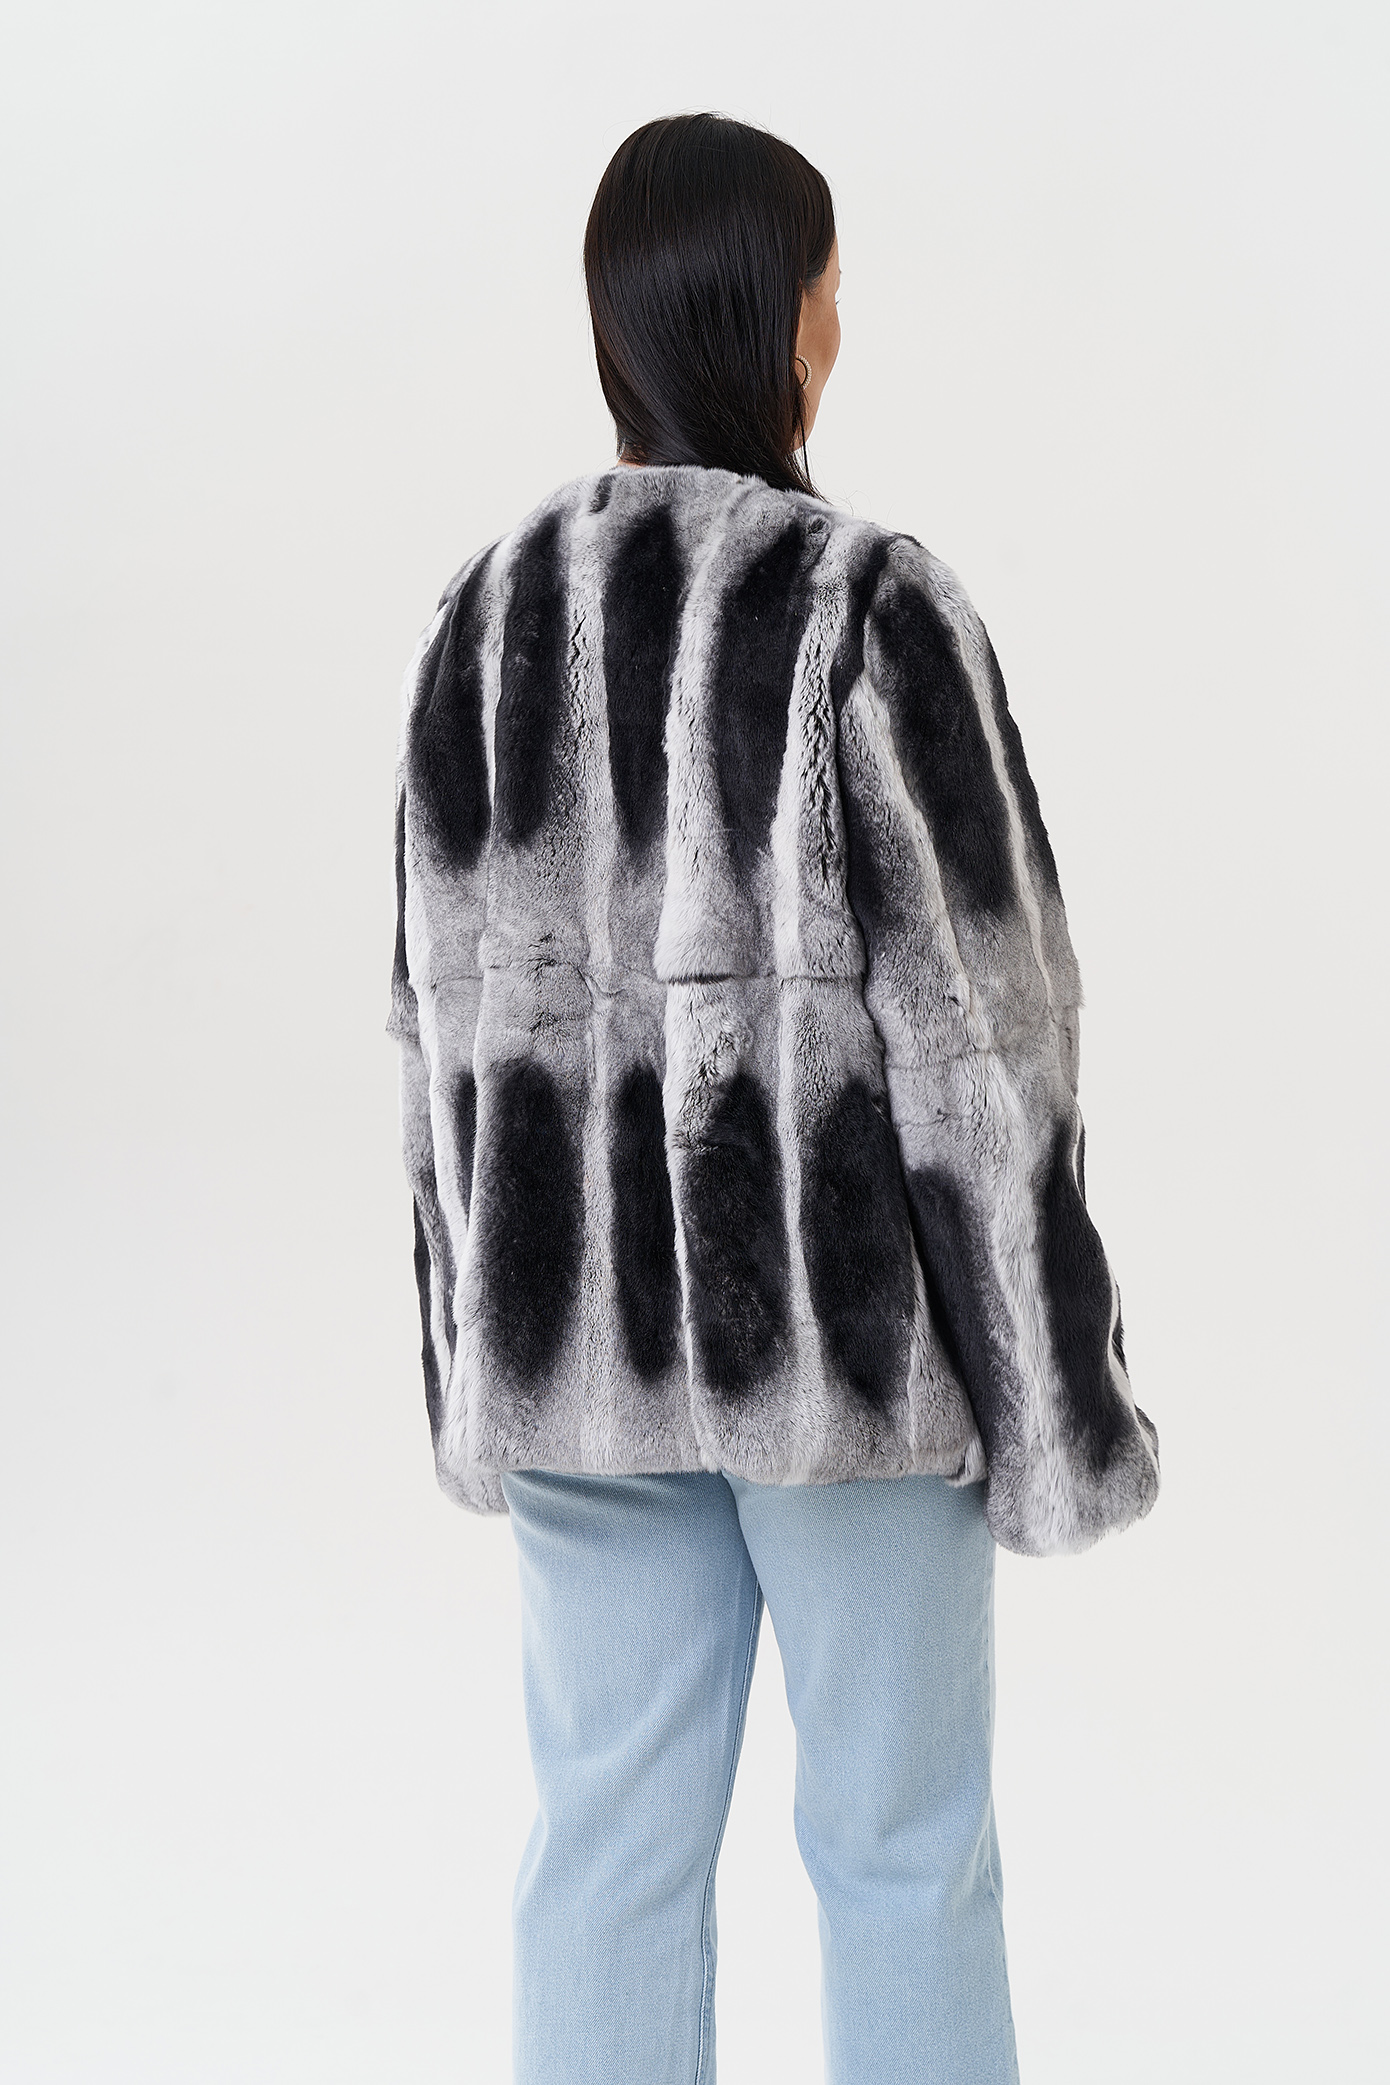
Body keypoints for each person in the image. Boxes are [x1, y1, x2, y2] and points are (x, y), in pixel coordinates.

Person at [389, 111, 1158, 2085]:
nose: (839, 321)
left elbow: (442, 1031)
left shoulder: (487, 616)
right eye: (828, 284)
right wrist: (1050, 1401)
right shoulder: (866, 606)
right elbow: (985, 1043)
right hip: (845, 1358)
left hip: (575, 1351)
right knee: (901, 1853)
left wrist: (473, 1348)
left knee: (604, 1857)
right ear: (781, 316)